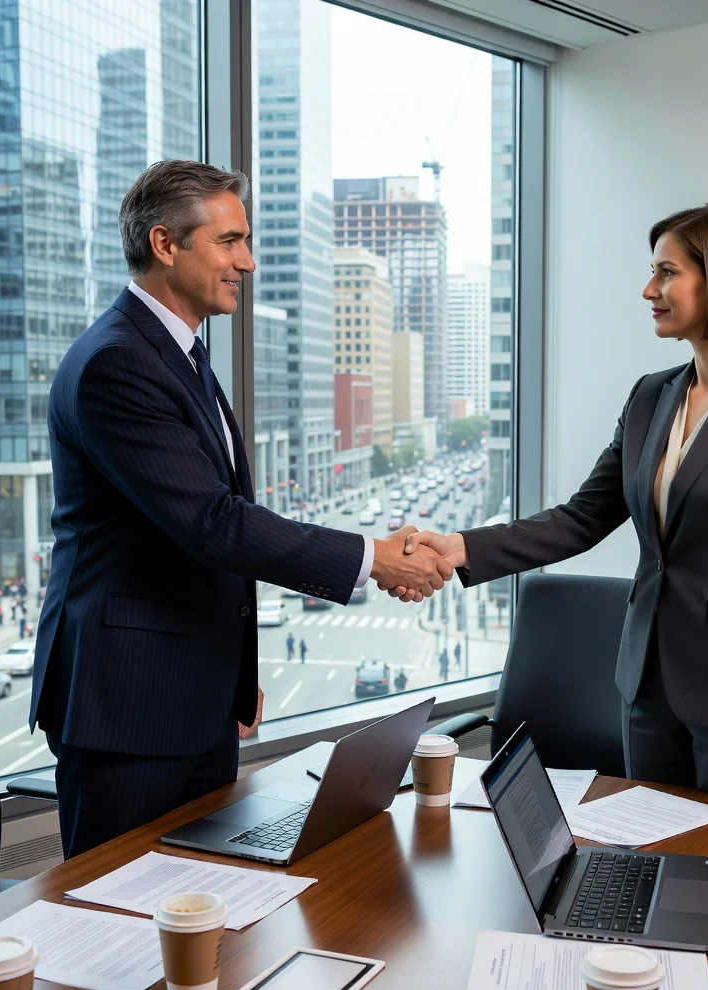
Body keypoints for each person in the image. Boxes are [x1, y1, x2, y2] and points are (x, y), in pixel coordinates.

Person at [401, 204, 708, 990]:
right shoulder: (651, 398)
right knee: (652, 889)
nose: (650, 288)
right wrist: (459, 549)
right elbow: (580, 518)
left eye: (667, 272)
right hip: (648, 686)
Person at [30, 159, 452, 860]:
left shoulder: (180, 355)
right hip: (128, 704)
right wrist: (371, 556)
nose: (247, 263)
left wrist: (235, 677)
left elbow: (204, 533)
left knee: (210, 903)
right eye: (229, 242)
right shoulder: (117, 363)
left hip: (192, 698)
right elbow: (212, 523)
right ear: (165, 245)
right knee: (119, 921)